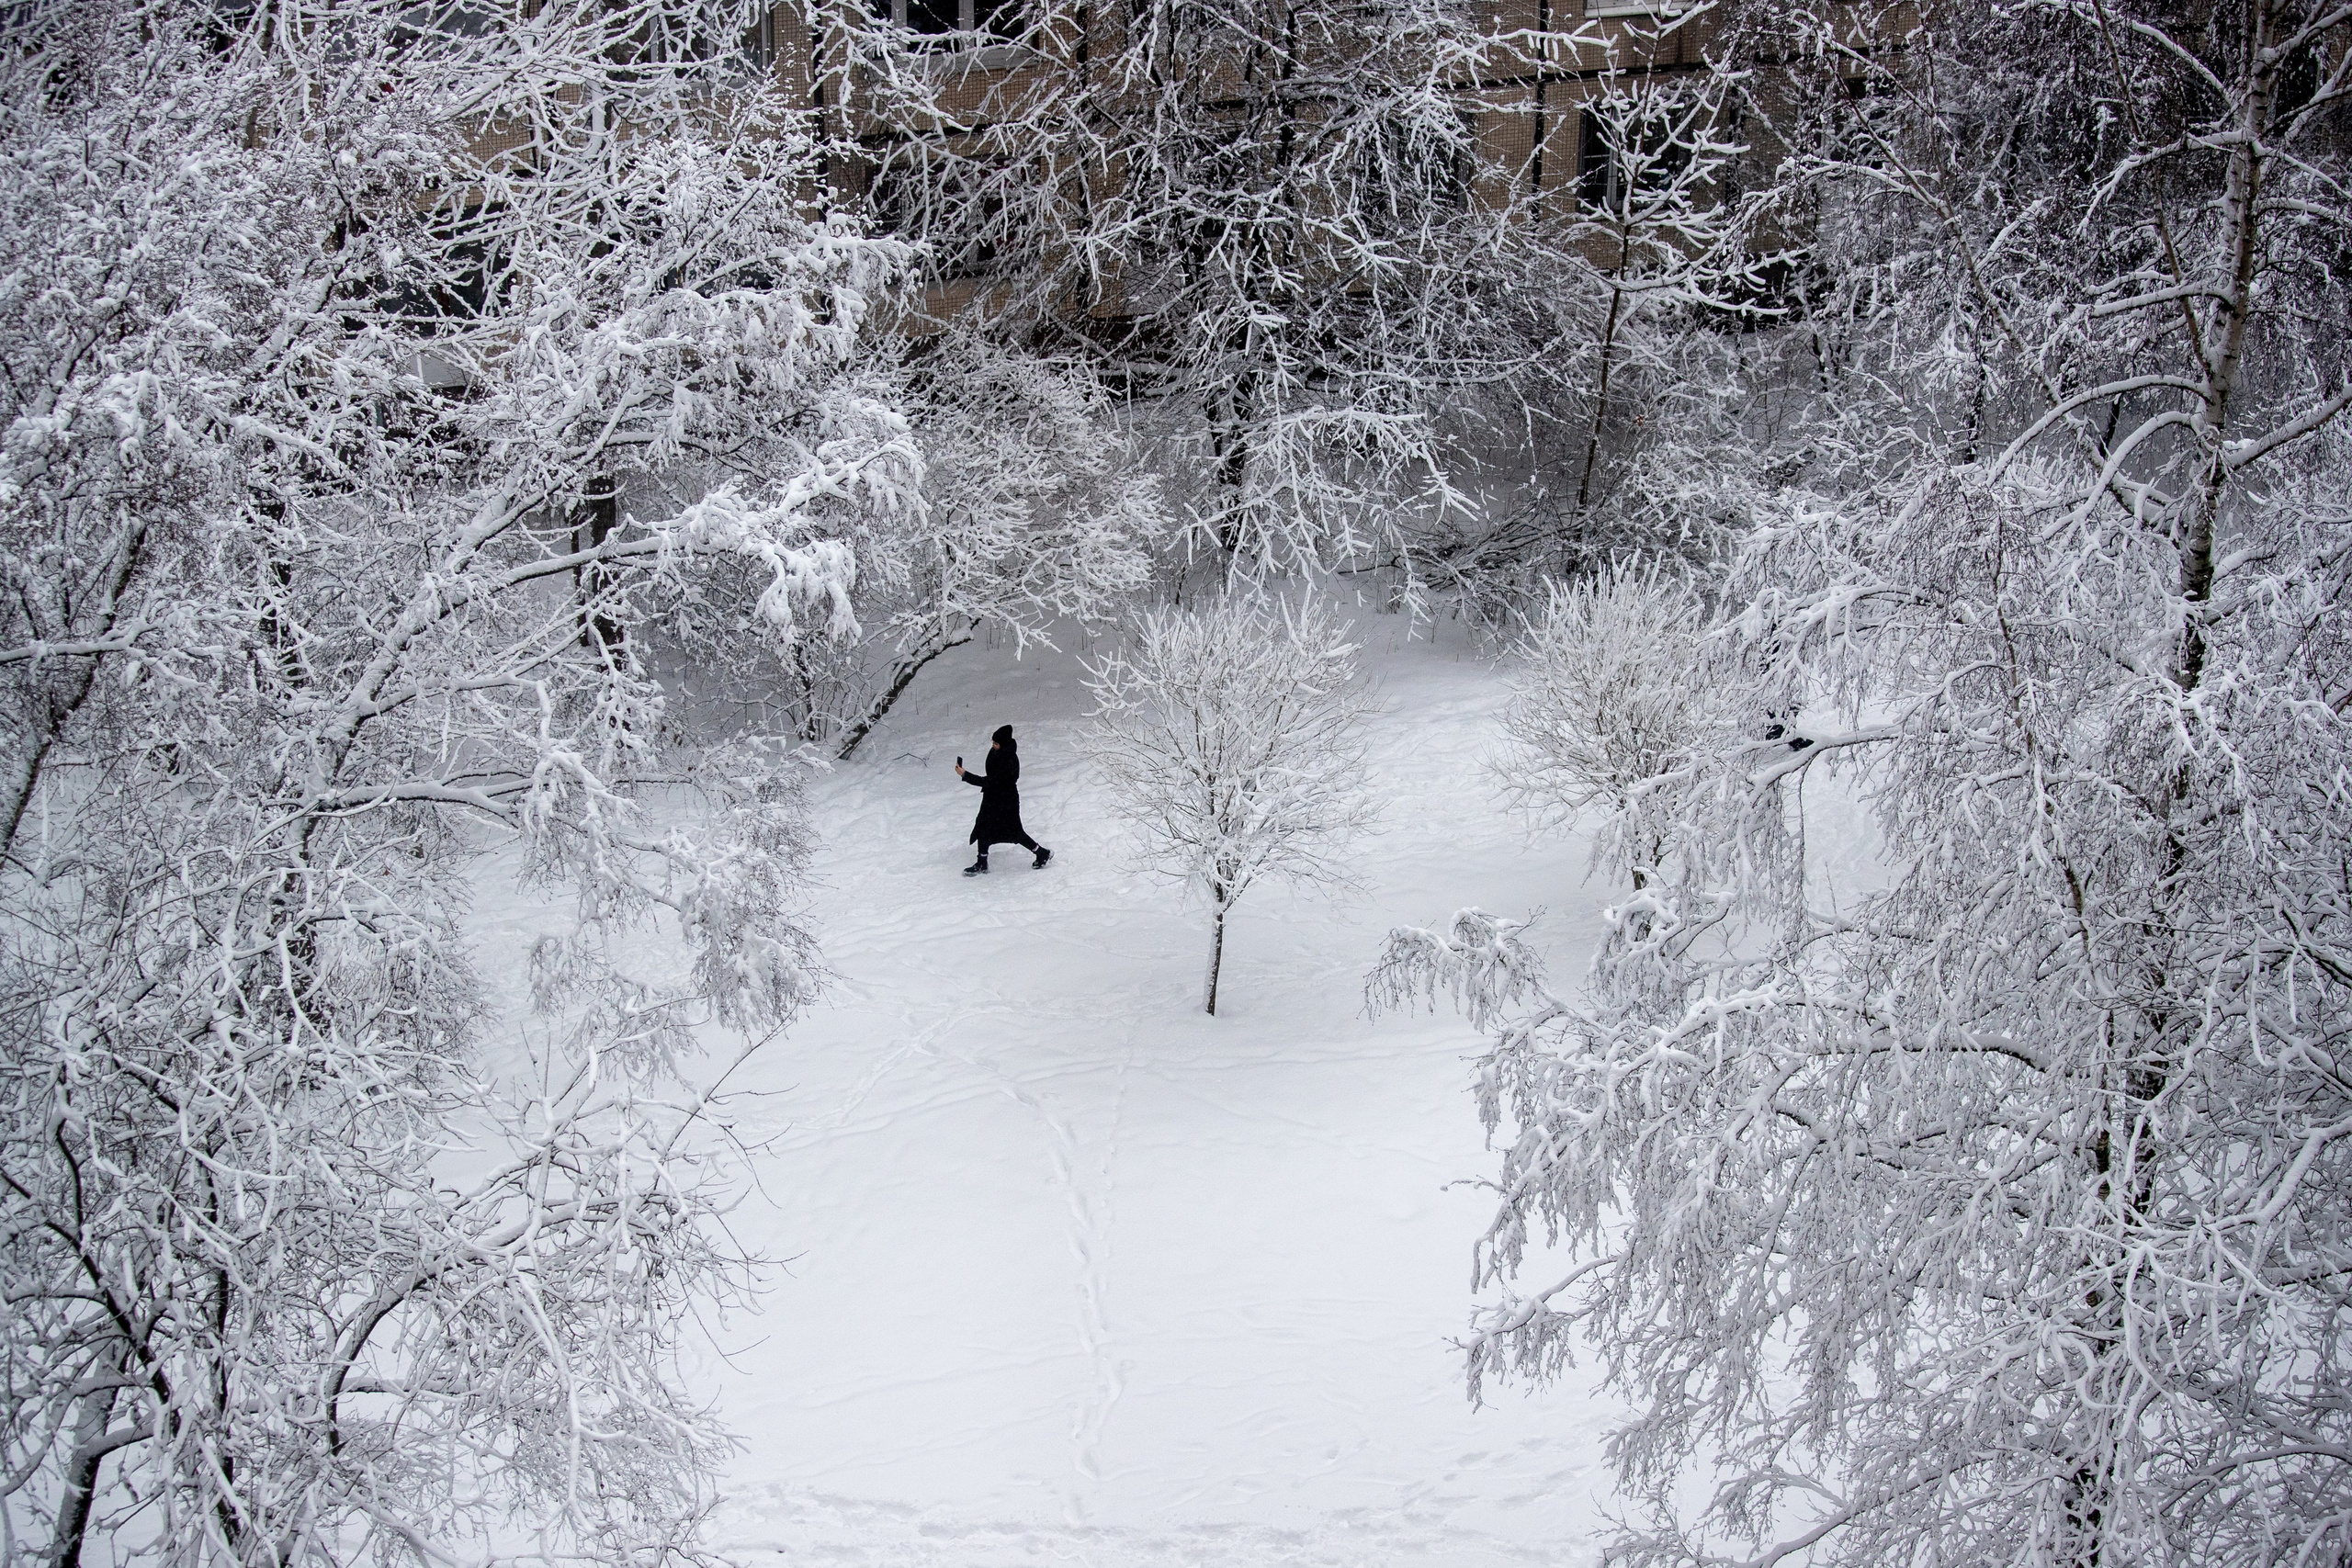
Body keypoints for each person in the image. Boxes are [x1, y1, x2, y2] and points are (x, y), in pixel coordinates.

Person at [956, 724, 1051, 875]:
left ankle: (1042, 853)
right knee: (983, 827)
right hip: (993, 799)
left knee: (1015, 832)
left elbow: (991, 781)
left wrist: (965, 775)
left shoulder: (1009, 760)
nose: (993, 746)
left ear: (1004, 744)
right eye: (993, 743)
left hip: (1006, 802)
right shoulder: (997, 752)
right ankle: (982, 862)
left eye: (996, 743)